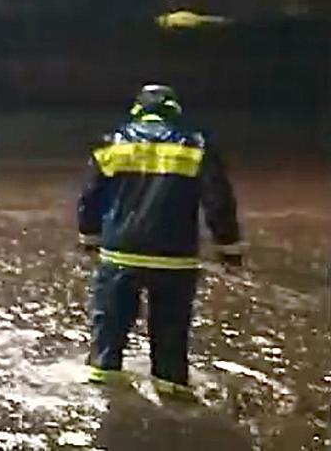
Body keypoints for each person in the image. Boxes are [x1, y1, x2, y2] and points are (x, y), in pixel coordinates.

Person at [77, 84, 243, 398]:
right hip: (175, 258)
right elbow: (218, 200)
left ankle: (105, 389)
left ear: (137, 110)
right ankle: (170, 388)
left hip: (119, 253)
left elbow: (90, 196)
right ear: (174, 111)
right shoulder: (196, 145)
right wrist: (228, 247)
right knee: (171, 332)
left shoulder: (111, 143)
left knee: (109, 328)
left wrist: (89, 236)